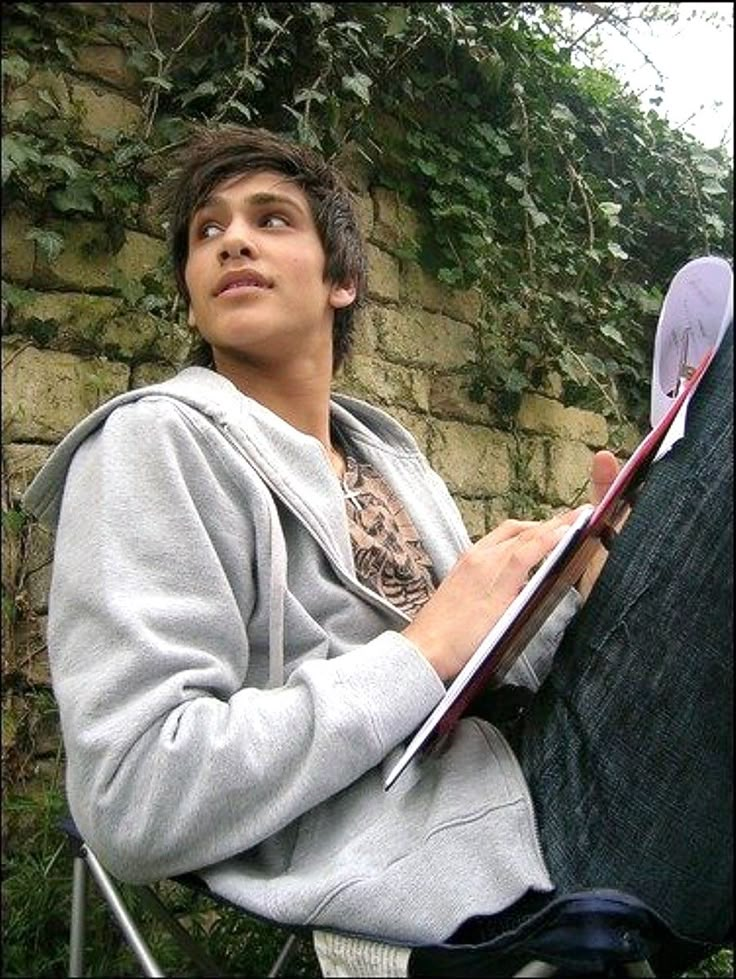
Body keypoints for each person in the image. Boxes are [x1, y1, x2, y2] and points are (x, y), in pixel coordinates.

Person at [23, 126, 732, 978]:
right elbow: (132, 792)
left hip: (539, 758)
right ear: (189, 291)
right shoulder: (151, 445)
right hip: (502, 850)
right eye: (207, 231)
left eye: (271, 218)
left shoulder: (387, 456)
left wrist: (580, 583)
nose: (232, 239)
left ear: (344, 280)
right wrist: (421, 649)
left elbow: (480, 663)